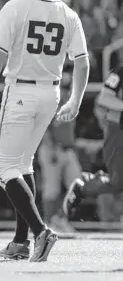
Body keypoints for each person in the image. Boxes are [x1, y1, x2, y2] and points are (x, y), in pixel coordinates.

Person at [0, 0, 89, 262]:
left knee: (7, 169)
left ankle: (40, 231)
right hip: (51, 94)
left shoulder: (16, 6)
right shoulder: (69, 13)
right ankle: (20, 241)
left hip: (20, 90)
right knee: (24, 165)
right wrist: (75, 99)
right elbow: (82, 62)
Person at [63, 64, 123, 217]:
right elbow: (104, 98)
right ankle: (84, 186)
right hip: (118, 130)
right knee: (117, 182)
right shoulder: (120, 70)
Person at [38, 73, 81, 233]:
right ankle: (47, 224)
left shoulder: (71, 103)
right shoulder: (50, 102)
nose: (66, 90)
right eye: (63, 87)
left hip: (68, 150)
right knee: (52, 190)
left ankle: (60, 218)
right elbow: (43, 128)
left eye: (68, 87)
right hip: (52, 149)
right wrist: (51, 149)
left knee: (78, 185)